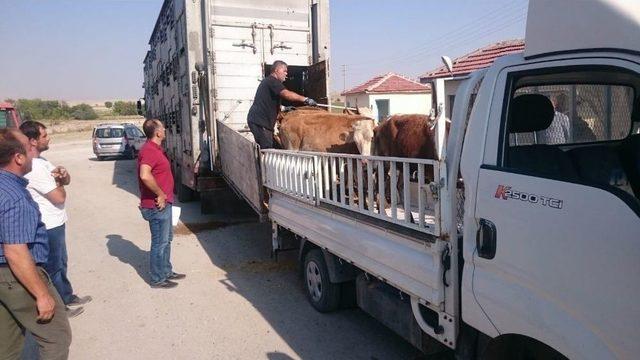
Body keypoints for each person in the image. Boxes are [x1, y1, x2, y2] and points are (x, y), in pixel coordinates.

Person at [0, 128, 71, 359]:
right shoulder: (15, 197)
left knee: (8, 345)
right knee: (56, 337)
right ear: (18, 158)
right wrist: (41, 294)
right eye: (29, 149)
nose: (34, 152)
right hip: (15, 276)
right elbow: (15, 252)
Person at [20, 121, 91, 318]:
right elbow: (59, 197)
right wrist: (60, 184)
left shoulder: (43, 162)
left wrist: (63, 176)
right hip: (48, 225)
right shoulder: (33, 167)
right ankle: (59, 309)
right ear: (32, 141)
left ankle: (66, 296)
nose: (48, 137)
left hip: (57, 222)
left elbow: (64, 181)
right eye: (44, 135)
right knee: (52, 268)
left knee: (61, 262)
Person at [137, 119, 185, 288]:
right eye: (163, 128)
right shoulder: (149, 150)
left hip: (165, 204)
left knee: (167, 240)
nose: (165, 130)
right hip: (157, 206)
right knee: (160, 242)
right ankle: (158, 278)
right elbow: (145, 175)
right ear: (157, 133)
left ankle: (166, 270)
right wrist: (160, 194)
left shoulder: (156, 149)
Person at [247, 60, 318, 149]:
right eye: (284, 71)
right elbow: (286, 94)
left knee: (277, 148)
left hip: (261, 122)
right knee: (268, 150)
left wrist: (284, 108)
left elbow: (268, 103)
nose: (286, 74)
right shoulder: (272, 81)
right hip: (260, 122)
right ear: (276, 70)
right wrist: (306, 99)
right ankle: (262, 162)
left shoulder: (269, 82)